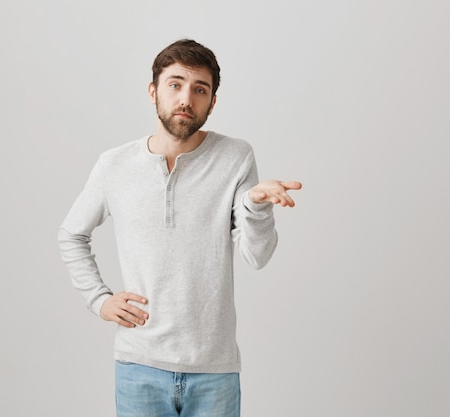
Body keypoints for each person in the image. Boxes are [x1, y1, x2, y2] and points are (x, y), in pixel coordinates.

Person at [58, 38, 302, 417]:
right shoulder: (115, 165)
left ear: (212, 102)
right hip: (139, 365)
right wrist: (99, 300)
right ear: (153, 91)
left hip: (214, 371)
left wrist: (255, 206)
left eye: (199, 89)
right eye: (175, 84)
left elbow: (258, 255)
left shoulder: (235, 157)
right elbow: (72, 234)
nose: (186, 98)